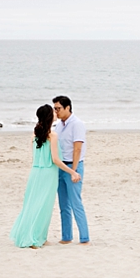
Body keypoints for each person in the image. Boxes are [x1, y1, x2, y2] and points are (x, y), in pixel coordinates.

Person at [9, 104, 68, 249]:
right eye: (53, 112)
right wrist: (72, 172)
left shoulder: (35, 134)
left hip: (35, 173)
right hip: (48, 174)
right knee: (44, 206)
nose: (56, 113)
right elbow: (55, 160)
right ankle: (35, 237)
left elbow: (36, 156)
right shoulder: (52, 135)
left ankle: (41, 236)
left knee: (32, 204)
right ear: (49, 116)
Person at [53, 95, 90, 245]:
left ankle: (84, 237)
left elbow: (77, 148)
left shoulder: (77, 124)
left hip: (73, 165)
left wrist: (73, 171)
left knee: (76, 202)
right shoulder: (59, 125)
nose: (56, 112)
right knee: (63, 204)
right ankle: (66, 236)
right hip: (61, 166)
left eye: (58, 109)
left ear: (67, 108)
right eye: (54, 109)